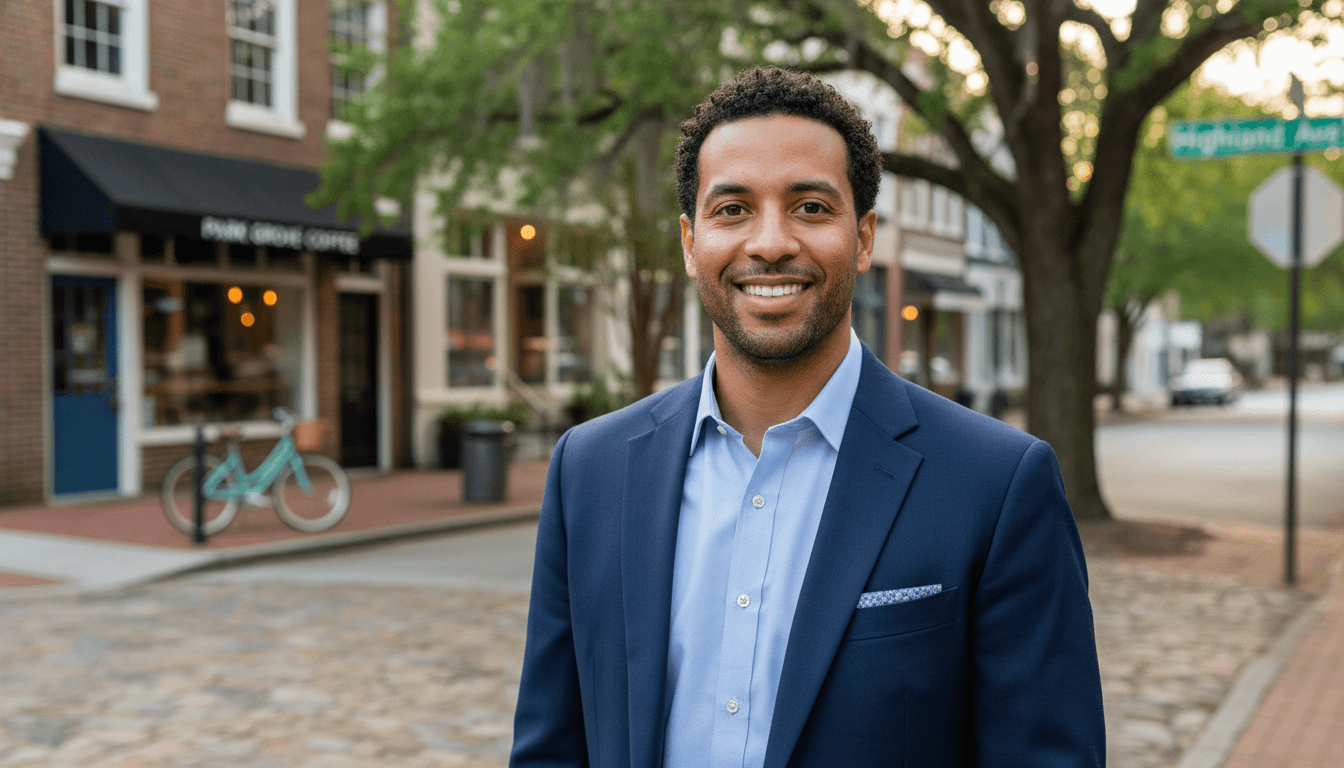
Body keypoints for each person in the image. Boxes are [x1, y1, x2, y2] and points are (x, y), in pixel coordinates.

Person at [511, 67, 1105, 767]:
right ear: (689, 240)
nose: (769, 242)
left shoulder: (998, 484)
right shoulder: (591, 468)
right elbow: (552, 746)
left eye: (811, 208)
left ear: (862, 238)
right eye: (732, 209)